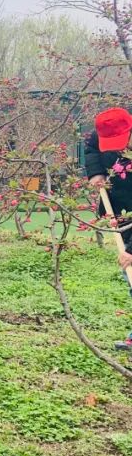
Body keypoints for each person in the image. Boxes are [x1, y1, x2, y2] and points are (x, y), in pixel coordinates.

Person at [83, 107, 132, 350]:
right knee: (130, 273)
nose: (115, 148)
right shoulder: (99, 133)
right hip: (120, 213)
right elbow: (91, 150)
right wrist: (96, 173)